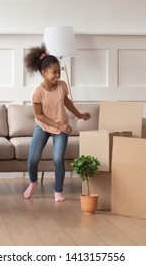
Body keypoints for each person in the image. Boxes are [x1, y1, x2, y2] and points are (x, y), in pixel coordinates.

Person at [23, 43, 91, 202]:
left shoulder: (62, 86)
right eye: (54, 72)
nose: (58, 75)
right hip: (44, 127)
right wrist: (59, 125)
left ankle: (58, 191)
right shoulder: (37, 92)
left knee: (57, 158)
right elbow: (39, 115)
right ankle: (33, 182)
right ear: (44, 72)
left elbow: (66, 102)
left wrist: (79, 114)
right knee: (33, 159)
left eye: (59, 72)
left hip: (61, 128)